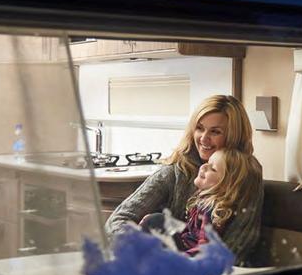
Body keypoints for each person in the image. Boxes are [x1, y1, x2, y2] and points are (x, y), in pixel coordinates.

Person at [106, 95, 264, 265]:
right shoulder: (174, 173)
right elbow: (117, 220)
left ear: (234, 136)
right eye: (199, 128)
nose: (203, 138)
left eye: (215, 131)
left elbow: (239, 245)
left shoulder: (246, 179)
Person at [140, 148, 262, 256]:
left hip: (190, 255)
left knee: (155, 221)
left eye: (213, 169)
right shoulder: (203, 201)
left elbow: (204, 247)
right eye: (207, 163)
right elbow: (191, 232)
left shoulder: (213, 210)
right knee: (157, 220)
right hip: (184, 245)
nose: (203, 167)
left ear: (227, 185)